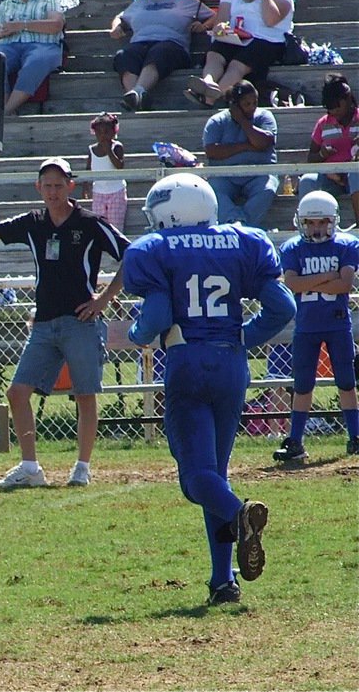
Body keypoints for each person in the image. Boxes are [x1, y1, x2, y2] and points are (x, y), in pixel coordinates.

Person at [123, 172, 295, 605]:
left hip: (188, 361)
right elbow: (282, 307)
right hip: (232, 364)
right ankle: (223, 581)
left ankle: (240, 515)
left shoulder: (157, 247)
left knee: (196, 478)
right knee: (215, 473)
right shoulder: (242, 240)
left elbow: (158, 315)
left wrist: (137, 333)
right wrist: (243, 337)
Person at [0, 157, 128, 488]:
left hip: (80, 321)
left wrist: (104, 298)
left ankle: (82, 467)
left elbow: (132, 254)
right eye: (47, 186)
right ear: (38, 188)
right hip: (44, 323)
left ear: (71, 186)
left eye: (58, 185)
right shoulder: (34, 222)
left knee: (85, 394)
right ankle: (30, 467)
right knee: (17, 392)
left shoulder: (90, 223)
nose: (53, 192)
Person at [273, 191, 359, 461]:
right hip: (307, 325)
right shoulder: (293, 247)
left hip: (337, 324)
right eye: (310, 223)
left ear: (333, 221)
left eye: (322, 222)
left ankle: (355, 436)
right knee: (302, 385)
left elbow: (345, 285)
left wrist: (310, 281)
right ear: (301, 222)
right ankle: (295, 442)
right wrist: (327, 276)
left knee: (346, 382)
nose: (316, 228)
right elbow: (292, 283)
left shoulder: (346, 244)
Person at [185, 0, 293, 107]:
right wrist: (221, 28)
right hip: (236, 38)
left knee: (237, 64)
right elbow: (220, 22)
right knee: (215, 53)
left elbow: (270, 21)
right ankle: (208, 82)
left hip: (268, 41)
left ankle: (209, 98)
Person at [109, 0, 215, 112]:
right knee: (123, 55)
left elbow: (214, 16)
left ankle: (137, 92)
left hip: (172, 45)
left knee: (159, 52)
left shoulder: (184, 0)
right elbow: (120, 18)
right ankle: (136, 96)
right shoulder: (139, 3)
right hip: (140, 43)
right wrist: (116, 27)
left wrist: (204, 26)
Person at [202, 80, 279, 227]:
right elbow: (212, 151)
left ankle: (242, 227)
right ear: (234, 105)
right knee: (212, 191)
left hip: (259, 174)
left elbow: (263, 143)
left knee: (268, 189)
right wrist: (246, 146)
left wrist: (243, 121)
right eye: (246, 104)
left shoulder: (265, 117)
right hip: (225, 176)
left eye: (255, 102)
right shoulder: (217, 121)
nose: (252, 107)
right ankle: (233, 221)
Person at [297, 74, 359, 223]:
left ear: (348, 99)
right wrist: (322, 155)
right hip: (331, 178)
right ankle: (309, 228)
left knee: (355, 174)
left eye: (337, 106)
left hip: (355, 175)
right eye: (330, 109)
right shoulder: (323, 124)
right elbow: (311, 158)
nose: (334, 112)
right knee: (307, 181)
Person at [84, 112, 129, 232]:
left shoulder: (117, 147)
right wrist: (86, 185)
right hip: (98, 192)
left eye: (106, 132)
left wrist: (109, 151)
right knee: (100, 224)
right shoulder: (92, 149)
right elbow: (88, 169)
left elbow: (119, 166)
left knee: (115, 226)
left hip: (116, 191)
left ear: (114, 132)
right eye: (99, 132)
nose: (103, 135)